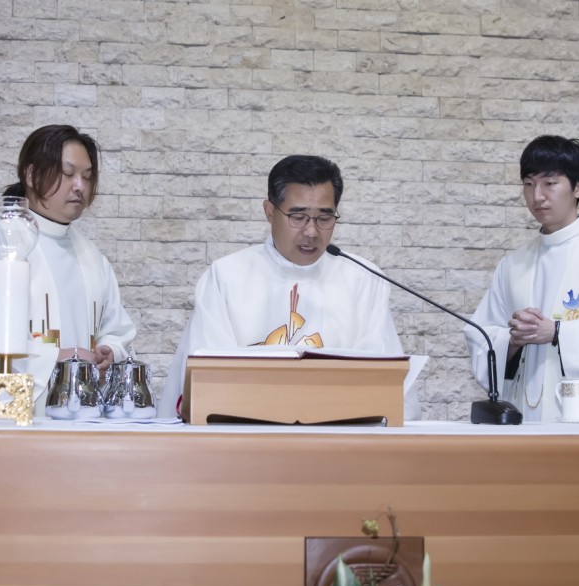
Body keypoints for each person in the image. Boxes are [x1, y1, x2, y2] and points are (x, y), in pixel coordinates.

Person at [157, 155, 405, 417]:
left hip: (341, 433)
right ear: (269, 212)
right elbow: (208, 380)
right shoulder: (226, 277)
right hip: (244, 431)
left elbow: (386, 383)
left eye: (324, 218)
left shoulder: (363, 280)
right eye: (298, 217)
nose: (311, 231)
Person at [467, 135, 579, 421]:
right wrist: (513, 340)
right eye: (529, 184)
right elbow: (483, 338)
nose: (537, 196)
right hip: (526, 419)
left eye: (550, 183)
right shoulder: (512, 264)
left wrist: (556, 332)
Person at [0, 124, 136, 371]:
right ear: (31, 175)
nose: (80, 186)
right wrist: (55, 357)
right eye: (67, 173)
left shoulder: (93, 258)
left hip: (82, 395)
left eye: (86, 176)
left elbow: (116, 329)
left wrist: (109, 351)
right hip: (12, 395)